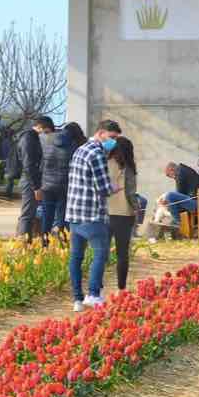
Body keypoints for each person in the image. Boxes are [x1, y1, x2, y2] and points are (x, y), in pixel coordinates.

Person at [65, 118, 121, 312]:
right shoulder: (96, 154)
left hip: (73, 212)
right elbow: (104, 188)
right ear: (101, 133)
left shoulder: (79, 150)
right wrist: (116, 186)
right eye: (111, 137)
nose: (113, 142)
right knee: (100, 253)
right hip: (91, 213)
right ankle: (94, 293)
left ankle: (77, 299)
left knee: (76, 256)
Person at [39, 121, 86, 240]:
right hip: (64, 185)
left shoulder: (48, 141)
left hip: (47, 184)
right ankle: (62, 242)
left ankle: (45, 243)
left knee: (46, 216)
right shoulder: (74, 145)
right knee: (62, 216)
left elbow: (42, 164)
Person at [15, 115, 55, 238]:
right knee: (27, 214)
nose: (46, 135)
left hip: (31, 180)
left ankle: (27, 241)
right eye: (46, 132)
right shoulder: (28, 138)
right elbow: (29, 165)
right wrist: (36, 187)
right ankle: (23, 243)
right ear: (40, 127)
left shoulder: (32, 137)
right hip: (29, 181)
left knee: (31, 213)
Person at [107, 136, 137, 290]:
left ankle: (96, 290)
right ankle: (121, 289)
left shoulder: (104, 164)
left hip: (105, 212)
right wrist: (136, 208)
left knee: (101, 253)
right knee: (122, 254)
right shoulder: (129, 168)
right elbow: (131, 193)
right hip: (124, 213)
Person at [157, 161, 199, 227]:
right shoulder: (182, 170)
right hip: (196, 200)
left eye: (168, 175)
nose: (169, 177)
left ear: (171, 170)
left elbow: (179, 193)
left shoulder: (180, 173)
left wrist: (166, 201)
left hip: (196, 203)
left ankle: (178, 224)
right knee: (170, 201)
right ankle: (177, 222)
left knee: (170, 196)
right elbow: (181, 194)